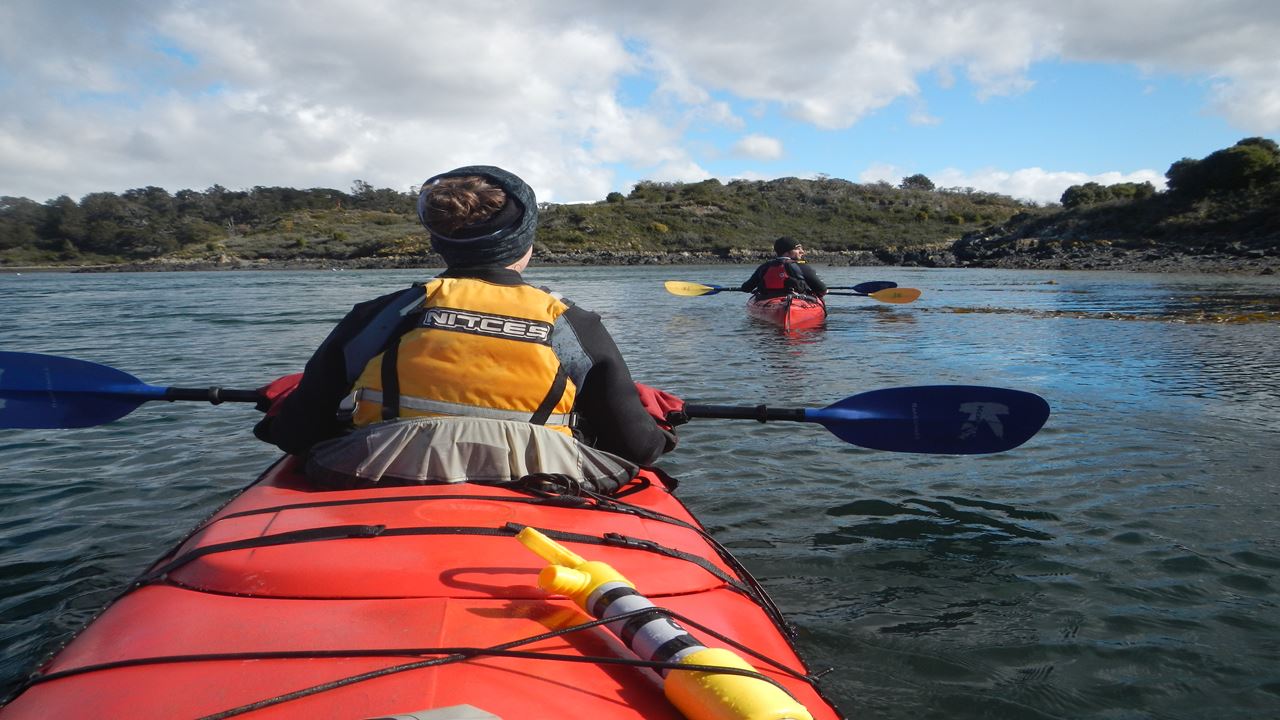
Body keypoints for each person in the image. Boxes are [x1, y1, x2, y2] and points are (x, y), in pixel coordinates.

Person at [253, 165, 676, 491]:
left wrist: (288, 405)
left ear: (438, 241)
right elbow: (636, 449)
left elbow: (296, 432)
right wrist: (652, 419)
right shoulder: (570, 323)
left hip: (382, 482)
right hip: (542, 487)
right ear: (524, 243)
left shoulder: (381, 316)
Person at [739, 236, 827, 298]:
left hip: (768, 300)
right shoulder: (801, 266)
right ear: (787, 252)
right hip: (796, 302)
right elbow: (822, 289)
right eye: (797, 249)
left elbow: (746, 288)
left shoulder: (764, 267)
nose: (802, 251)